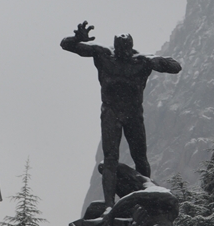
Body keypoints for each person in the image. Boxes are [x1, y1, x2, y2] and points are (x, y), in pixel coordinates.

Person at [60, 21, 181, 202]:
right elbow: (66, 45)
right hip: (111, 112)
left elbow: (176, 67)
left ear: (131, 48)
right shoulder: (103, 55)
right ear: (115, 48)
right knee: (110, 158)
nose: (123, 52)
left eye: (126, 49)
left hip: (133, 115)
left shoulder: (142, 62)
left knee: (140, 158)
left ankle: (143, 200)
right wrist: (77, 38)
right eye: (120, 49)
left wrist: (156, 61)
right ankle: (109, 205)